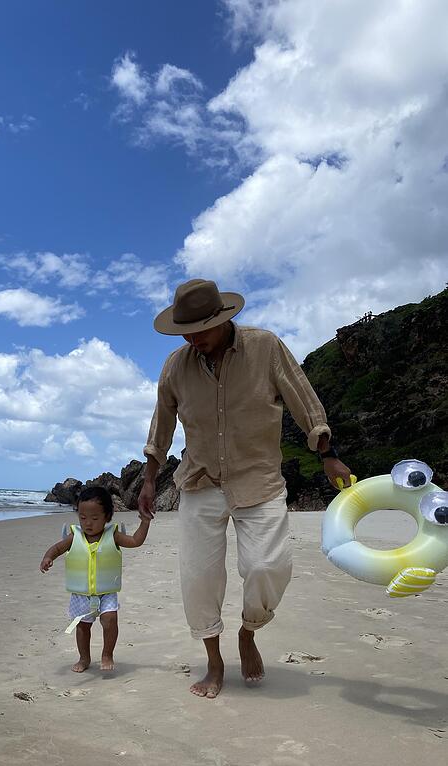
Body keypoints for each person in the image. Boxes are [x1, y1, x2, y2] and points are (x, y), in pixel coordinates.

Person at [138, 278, 352, 698]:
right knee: (199, 579)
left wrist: (328, 453)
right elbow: (160, 428)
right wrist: (148, 479)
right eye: (186, 330)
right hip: (200, 482)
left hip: (259, 478)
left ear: (223, 319)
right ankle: (214, 662)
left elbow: (303, 400)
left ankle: (248, 631)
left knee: (267, 567)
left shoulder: (265, 347)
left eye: (201, 328)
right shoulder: (175, 366)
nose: (193, 338)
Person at [40, 485, 151, 673]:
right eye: (83, 518)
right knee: (82, 627)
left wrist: (145, 523)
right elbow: (57, 548)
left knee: (110, 619)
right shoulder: (74, 536)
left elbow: (135, 541)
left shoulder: (113, 535)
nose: (88, 523)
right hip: (81, 594)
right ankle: (84, 658)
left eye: (94, 518)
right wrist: (48, 557)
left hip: (106, 592)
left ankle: (107, 654)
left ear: (107, 517)